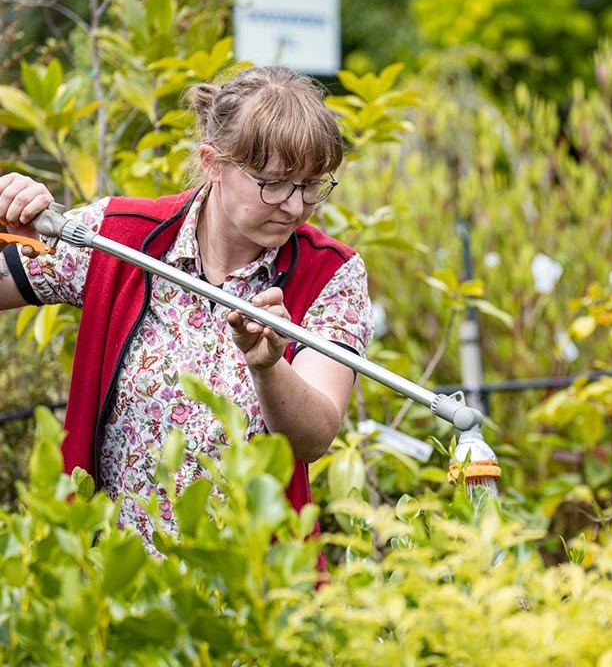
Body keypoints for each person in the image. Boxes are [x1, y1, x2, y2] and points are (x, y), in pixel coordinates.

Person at [0, 65, 375, 559]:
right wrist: (9, 213)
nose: (294, 206)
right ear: (213, 163)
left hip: (255, 585)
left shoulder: (331, 273)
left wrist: (268, 368)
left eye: (310, 186)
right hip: (109, 578)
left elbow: (314, 437)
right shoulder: (118, 238)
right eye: (274, 183)